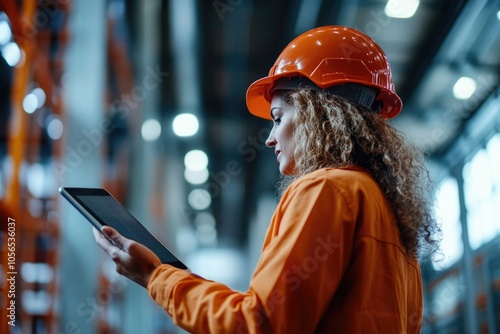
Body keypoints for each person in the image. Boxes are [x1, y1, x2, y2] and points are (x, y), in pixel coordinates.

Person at [94, 26, 439, 333]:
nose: (270, 138)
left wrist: (156, 276)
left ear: (315, 112)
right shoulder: (388, 213)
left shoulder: (327, 189)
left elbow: (257, 323)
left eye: (278, 117)